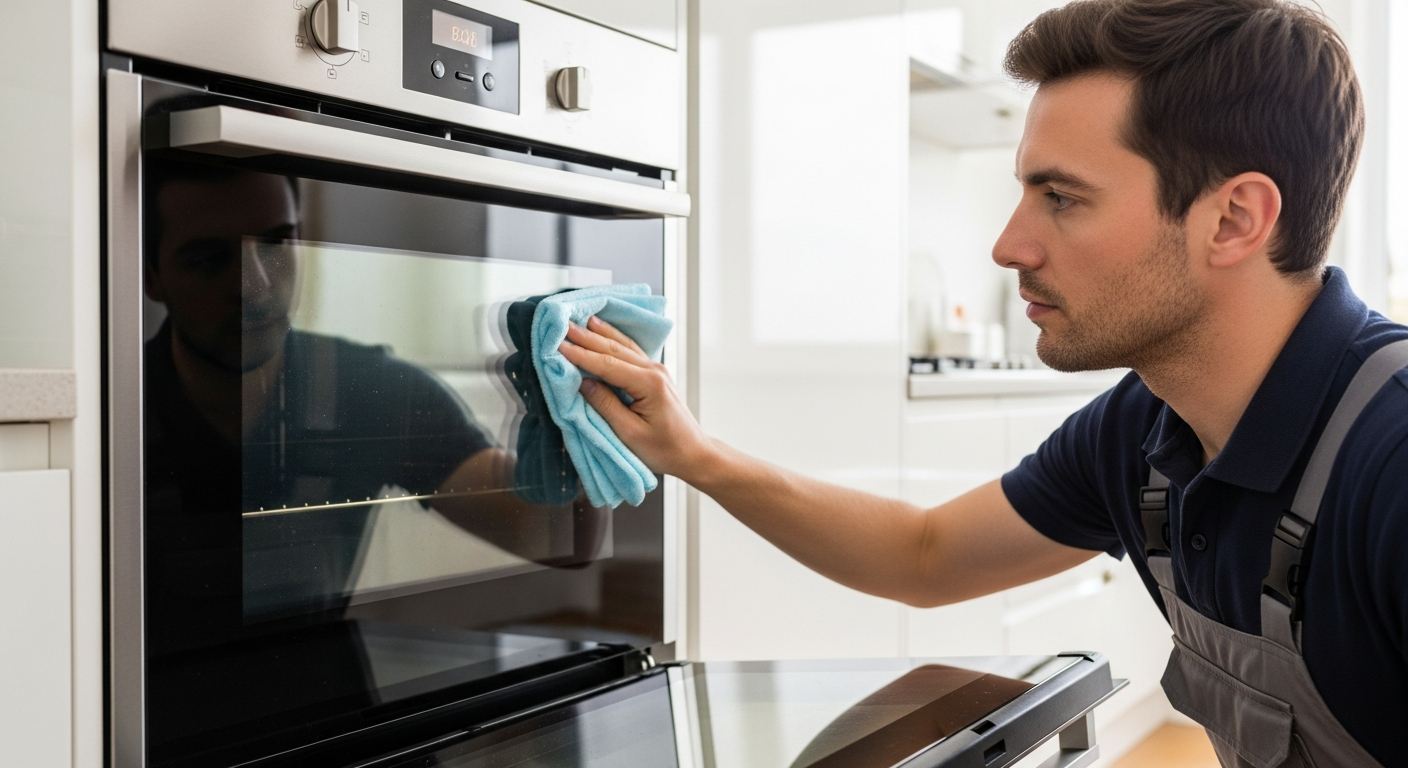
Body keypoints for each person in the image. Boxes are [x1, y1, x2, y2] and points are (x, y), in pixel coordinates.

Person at [560, 1, 1407, 766]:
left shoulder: (1392, 461)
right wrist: (693, 452)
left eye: (1061, 197)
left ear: (1233, 219)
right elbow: (923, 556)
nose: (1008, 245)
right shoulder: (1142, 432)